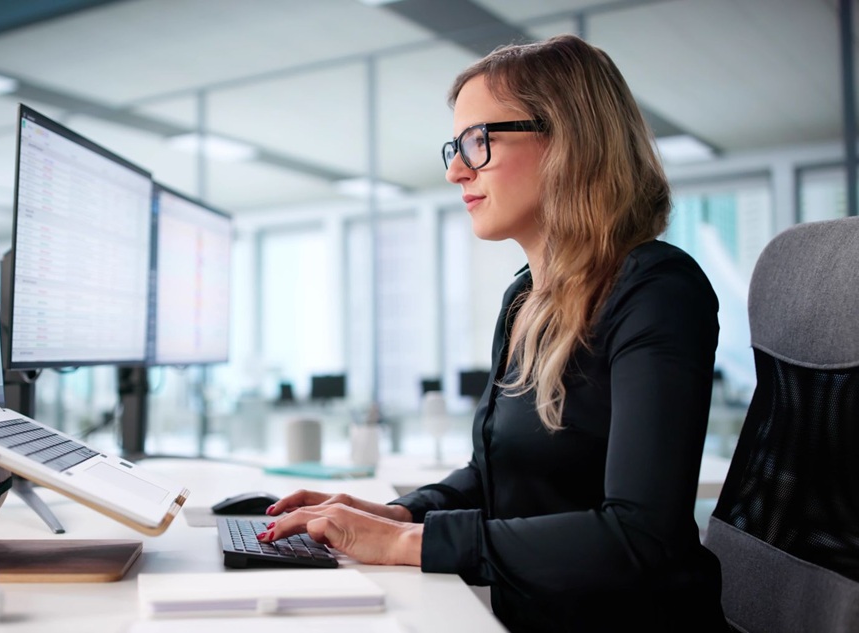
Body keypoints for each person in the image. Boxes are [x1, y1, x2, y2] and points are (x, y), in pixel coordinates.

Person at [260, 34, 727, 632]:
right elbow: (494, 475)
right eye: (455, 147)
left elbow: (638, 536)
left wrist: (405, 543)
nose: (457, 170)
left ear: (568, 141)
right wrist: (396, 512)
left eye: (478, 142)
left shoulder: (656, 290)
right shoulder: (526, 298)